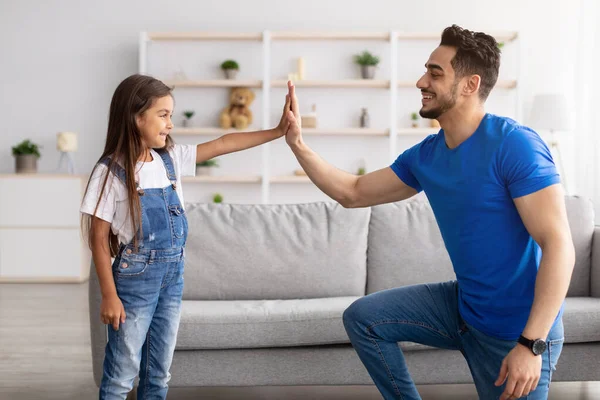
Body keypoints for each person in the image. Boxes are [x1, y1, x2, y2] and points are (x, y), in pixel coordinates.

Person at [282, 25, 575, 400]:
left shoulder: (515, 145)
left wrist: (531, 345)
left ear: (470, 85)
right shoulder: (427, 156)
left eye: (435, 73)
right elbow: (352, 192)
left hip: (518, 331)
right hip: (464, 311)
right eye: (426, 70)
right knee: (364, 318)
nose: (422, 81)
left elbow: (559, 245)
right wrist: (299, 145)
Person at [80, 73, 293, 399]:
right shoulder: (111, 171)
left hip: (172, 275)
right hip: (135, 279)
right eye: (163, 115)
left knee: (159, 370)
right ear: (136, 119)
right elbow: (97, 238)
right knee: (123, 371)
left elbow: (225, 143)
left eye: (171, 115)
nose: (171, 124)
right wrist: (109, 295)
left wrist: (278, 132)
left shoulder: (170, 159)